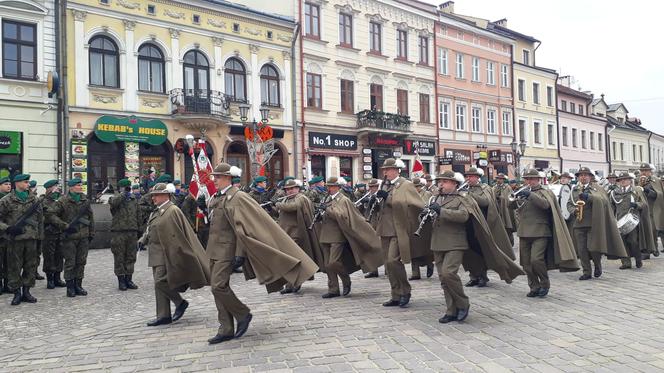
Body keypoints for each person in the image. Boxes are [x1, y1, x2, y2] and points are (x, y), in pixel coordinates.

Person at [206, 163, 317, 344]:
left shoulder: (238, 197)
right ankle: (225, 328)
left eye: (218, 177)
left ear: (228, 177)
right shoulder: (218, 197)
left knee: (218, 286)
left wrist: (240, 253)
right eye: (214, 177)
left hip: (228, 250)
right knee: (218, 288)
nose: (214, 180)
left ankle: (242, 314)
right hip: (214, 248)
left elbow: (246, 227)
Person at [427, 171, 524, 323]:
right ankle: (451, 310)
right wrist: (425, 215)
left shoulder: (462, 198)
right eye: (440, 181)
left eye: (445, 182)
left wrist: (441, 211)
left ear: (454, 184)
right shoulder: (436, 198)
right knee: (443, 279)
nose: (441, 184)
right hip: (437, 242)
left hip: (455, 242)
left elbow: (464, 216)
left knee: (448, 273)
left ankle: (463, 303)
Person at [138, 183, 210, 327]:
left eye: (156, 195)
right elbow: (150, 228)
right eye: (153, 195)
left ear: (166, 195)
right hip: (156, 252)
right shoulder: (157, 211)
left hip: (167, 252)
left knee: (160, 281)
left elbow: (179, 233)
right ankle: (163, 315)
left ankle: (180, 302)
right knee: (158, 284)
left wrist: (178, 253)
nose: (153, 198)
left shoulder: (173, 210)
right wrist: (143, 239)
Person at [510, 169, 578, 298]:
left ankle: (545, 282)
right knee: (526, 263)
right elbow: (510, 206)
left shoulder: (545, 192)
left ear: (538, 180)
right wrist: (514, 198)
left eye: (532, 179)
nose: (529, 181)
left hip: (540, 231)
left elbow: (545, 205)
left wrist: (530, 195)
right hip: (524, 231)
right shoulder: (522, 191)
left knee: (536, 260)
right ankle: (534, 286)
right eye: (527, 179)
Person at [316, 177, 383, 299]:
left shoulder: (343, 200)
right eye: (328, 186)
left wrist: (328, 209)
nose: (329, 188)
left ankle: (346, 279)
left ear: (338, 187)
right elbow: (326, 215)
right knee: (327, 264)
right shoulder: (326, 198)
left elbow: (342, 215)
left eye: (332, 186)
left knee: (333, 262)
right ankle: (333, 289)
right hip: (325, 234)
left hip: (337, 235)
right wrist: (320, 213)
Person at [375, 158, 427, 308]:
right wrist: (376, 202)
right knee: (388, 264)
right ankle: (395, 294)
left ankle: (405, 290)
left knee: (393, 260)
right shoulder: (384, 184)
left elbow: (417, 205)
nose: (385, 172)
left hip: (399, 229)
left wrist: (389, 198)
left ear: (397, 170)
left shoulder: (406, 185)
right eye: (384, 170)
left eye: (388, 169)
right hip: (385, 228)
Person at [567, 167, 627, 280]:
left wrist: (589, 197)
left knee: (593, 247)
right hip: (579, 223)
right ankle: (586, 272)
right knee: (582, 249)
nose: (583, 177)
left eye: (585, 175)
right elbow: (569, 204)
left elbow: (603, 200)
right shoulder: (574, 189)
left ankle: (597, 265)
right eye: (581, 175)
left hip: (593, 223)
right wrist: (573, 210)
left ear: (590, 177)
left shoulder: (596, 188)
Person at [464, 167, 514, 287]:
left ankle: (482, 276)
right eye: (467, 176)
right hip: (468, 223)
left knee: (481, 250)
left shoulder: (484, 188)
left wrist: (470, 195)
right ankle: (473, 276)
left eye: (471, 176)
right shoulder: (465, 188)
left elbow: (486, 202)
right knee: (470, 251)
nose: (468, 178)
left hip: (481, 224)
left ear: (477, 177)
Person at [274, 179, 324, 294]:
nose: (289, 191)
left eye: (292, 189)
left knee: (295, 260)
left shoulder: (301, 198)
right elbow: (280, 211)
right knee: (288, 261)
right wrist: (271, 207)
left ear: (297, 188)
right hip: (286, 233)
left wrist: (278, 204)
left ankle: (295, 283)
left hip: (297, 234)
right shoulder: (286, 199)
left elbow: (294, 207)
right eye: (287, 189)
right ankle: (289, 284)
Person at [0, 174, 43, 305]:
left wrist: (40, 237)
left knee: (30, 266)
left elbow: (40, 219)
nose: (27, 184)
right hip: (15, 239)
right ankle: (16, 293)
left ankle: (27, 291)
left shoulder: (34, 200)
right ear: (17, 183)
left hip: (31, 238)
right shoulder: (6, 200)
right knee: (14, 267)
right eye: (25, 182)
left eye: (28, 182)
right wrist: (8, 228)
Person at [47, 178, 94, 297]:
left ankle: (78, 285)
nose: (81, 187)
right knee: (70, 262)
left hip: (83, 236)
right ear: (71, 187)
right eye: (78, 185)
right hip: (69, 237)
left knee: (81, 262)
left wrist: (91, 233)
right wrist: (64, 226)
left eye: (81, 185)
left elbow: (90, 217)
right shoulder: (63, 201)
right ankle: (70, 287)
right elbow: (51, 215)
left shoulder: (85, 200)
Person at [611, 172, 656, 269]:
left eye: (625, 179)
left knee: (633, 241)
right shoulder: (615, 192)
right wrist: (612, 218)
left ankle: (638, 258)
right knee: (622, 242)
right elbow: (611, 206)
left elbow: (644, 204)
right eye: (620, 180)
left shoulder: (636, 191)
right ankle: (626, 262)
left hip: (632, 220)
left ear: (629, 180)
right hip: (619, 220)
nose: (623, 181)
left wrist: (637, 205)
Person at [109, 179, 140, 291]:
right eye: (125, 187)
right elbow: (114, 203)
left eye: (128, 187)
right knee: (119, 256)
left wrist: (139, 229)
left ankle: (129, 279)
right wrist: (123, 194)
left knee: (131, 256)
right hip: (119, 232)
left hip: (132, 231)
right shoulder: (114, 198)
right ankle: (121, 280)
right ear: (120, 188)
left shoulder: (133, 199)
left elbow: (138, 214)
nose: (127, 189)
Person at [41, 179, 66, 289]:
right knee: (49, 255)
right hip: (49, 232)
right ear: (49, 188)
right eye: (55, 186)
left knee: (59, 255)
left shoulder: (60, 200)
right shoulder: (43, 200)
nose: (57, 188)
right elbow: (49, 215)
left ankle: (57, 277)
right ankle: (50, 279)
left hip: (59, 232)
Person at [410, 178, 434, 280]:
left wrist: (425, 209)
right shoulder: (409, 195)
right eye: (414, 187)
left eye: (418, 186)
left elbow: (431, 205)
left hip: (425, 224)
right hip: (412, 223)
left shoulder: (427, 194)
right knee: (413, 249)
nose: (416, 188)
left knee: (425, 248)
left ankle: (429, 264)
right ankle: (415, 273)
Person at [639, 163, 664, 256]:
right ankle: (648, 251)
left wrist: (647, 191)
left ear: (650, 171)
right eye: (642, 171)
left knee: (652, 230)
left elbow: (659, 195)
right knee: (644, 230)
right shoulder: (638, 180)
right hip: (642, 209)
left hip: (653, 209)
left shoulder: (655, 180)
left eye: (645, 170)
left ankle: (654, 249)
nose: (643, 173)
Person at [362, 178, 382, 278]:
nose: (370, 189)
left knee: (383, 246)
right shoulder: (368, 195)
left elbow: (382, 207)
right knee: (371, 246)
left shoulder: (380, 194)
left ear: (377, 187)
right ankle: (374, 270)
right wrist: (363, 203)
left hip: (379, 222)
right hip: (369, 222)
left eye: (372, 187)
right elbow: (364, 209)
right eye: (369, 187)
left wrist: (375, 201)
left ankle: (388, 269)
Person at [493, 173, 517, 246]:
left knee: (508, 227)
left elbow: (510, 198)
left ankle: (510, 243)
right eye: (498, 179)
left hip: (506, 210)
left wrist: (501, 198)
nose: (499, 180)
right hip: (497, 209)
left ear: (503, 180)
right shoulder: (494, 188)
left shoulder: (507, 188)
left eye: (500, 179)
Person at [0, 176, 12, 294]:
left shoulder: (12, 199)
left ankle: (8, 283)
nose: (8, 186)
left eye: (9, 184)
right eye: (5, 184)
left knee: (9, 261)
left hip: (10, 235)